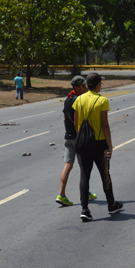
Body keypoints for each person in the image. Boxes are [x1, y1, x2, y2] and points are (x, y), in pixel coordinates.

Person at [72, 73, 123, 221]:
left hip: (82, 144)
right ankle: (111, 204)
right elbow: (105, 125)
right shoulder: (102, 100)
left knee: (84, 176)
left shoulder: (79, 99)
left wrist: (82, 138)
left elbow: (76, 124)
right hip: (99, 143)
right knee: (105, 174)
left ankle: (85, 209)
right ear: (98, 85)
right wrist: (110, 145)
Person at [56, 76, 97, 207]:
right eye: (83, 86)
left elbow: (64, 119)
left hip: (68, 137)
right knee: (84, 166)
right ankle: (86, 193)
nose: (85, 88)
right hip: (78, 138)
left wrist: (68, 132)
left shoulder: (67, 99)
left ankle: (61, 195)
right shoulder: (78, 100)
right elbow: (78, 120)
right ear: (76, 87)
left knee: (68, 165)